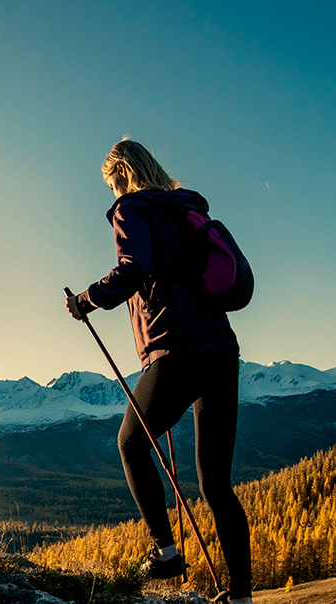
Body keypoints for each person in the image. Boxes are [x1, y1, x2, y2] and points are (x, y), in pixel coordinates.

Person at [65, 139, 253, 603]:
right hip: (220, 348)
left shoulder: (132, 209)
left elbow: (134, 268)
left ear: (123, 173)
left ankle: (165, 552)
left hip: (176, 347)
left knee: (130, 442)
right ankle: (242, 596)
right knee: (216, 483)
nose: (112, 194)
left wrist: (86, 300)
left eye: (112, 184)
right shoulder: (185, 209)